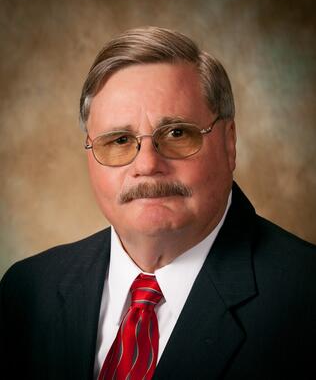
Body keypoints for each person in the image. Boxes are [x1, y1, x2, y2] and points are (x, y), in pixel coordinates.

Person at [0, 26, 315, 380]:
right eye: (119, 140)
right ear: (89, 153)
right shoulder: (25, 291)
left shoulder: (306, 298)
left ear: (229, 143)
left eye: (177, 133)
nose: (147, 165)